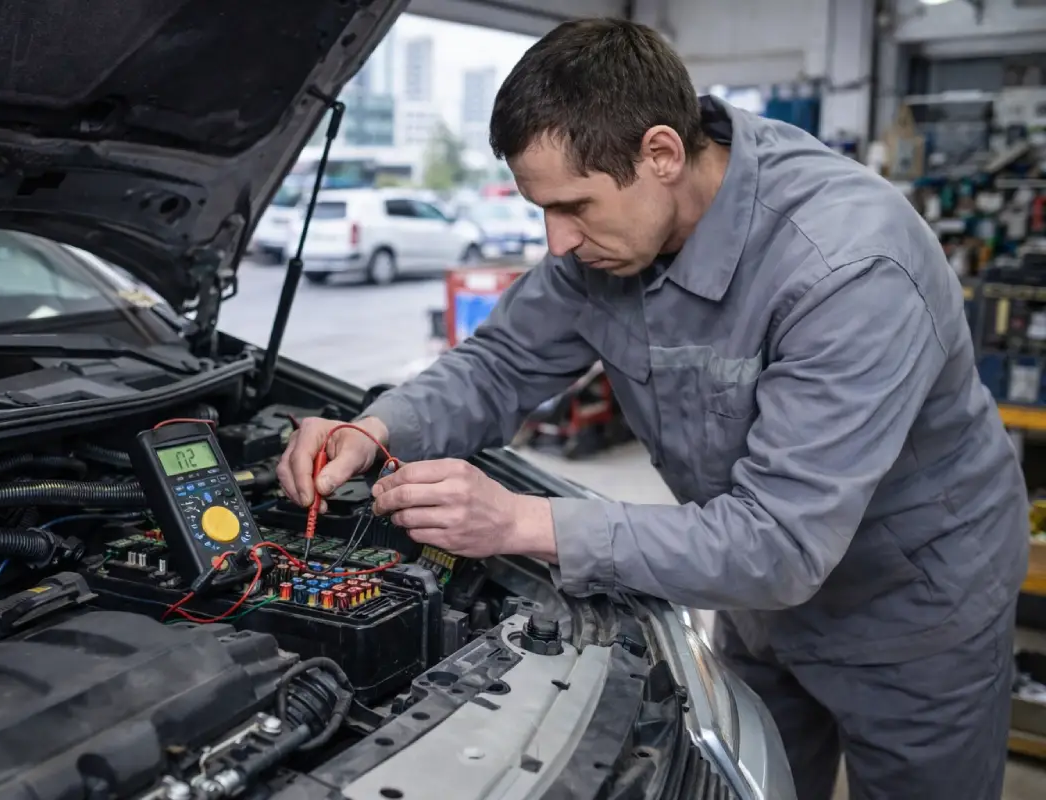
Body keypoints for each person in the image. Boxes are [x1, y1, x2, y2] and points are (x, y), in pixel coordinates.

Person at [277, 18, 1029, 800]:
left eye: (574, 206)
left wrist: (520, 523)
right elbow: (500, 363)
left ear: (662, 154)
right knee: (753, 784)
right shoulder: (613, 233)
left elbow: (780, 542)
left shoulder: (846, 268)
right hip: (753, 602)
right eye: (541, 209)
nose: (557, 242)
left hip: (912, 611)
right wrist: (374, 429)